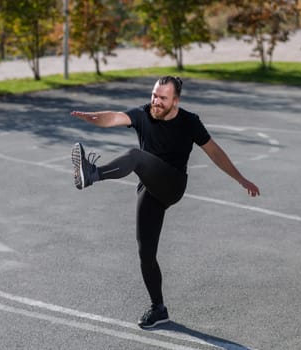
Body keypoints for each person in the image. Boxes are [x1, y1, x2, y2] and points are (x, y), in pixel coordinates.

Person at [70, 76, 260, 329]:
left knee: (136, 157)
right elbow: (115, 117)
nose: (156, 102)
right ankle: (158, 308)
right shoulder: (143, 114)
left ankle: (92, 174)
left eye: (162, 98)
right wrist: (94, 118)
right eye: (154, 96)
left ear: (176, 101)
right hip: (150, 187)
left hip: (172, 184)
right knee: (145, 253)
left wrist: (241, 179)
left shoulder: (189, 122)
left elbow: (214, 151)